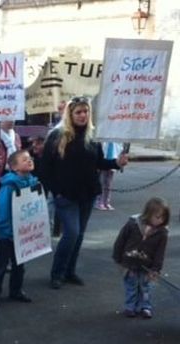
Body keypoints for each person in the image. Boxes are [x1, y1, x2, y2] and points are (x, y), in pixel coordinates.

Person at [41, 96, 129, 289]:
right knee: (71, 233)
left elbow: (99, 162)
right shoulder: (57, 136)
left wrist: (116, 163)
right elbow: (45, 168)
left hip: (87, 194)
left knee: (79, 234)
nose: (83, 115)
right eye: (78, 112)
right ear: (70, 114)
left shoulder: (92, 137)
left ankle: (70, 271)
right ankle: (57, 272)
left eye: (85, 111)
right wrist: (55, 192)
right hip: (65, 195)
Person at [0, 150, 37, 306]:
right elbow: (3, 210)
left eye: (29, 158)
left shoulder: (33, 182)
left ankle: (16, 290)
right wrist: (6, 230)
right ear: (14, 167)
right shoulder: (9, 186)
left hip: (23, 231)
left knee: (19, 264)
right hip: (8, 232)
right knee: (1, 264)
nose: (29, 161)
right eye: (24, 160)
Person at [113, 197, 169, 319]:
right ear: (148, 214)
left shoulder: (162, 232)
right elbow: (120, 241)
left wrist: (156, 268)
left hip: (148, 266)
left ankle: (145, 307)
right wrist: (117, 257)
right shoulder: (132, 224)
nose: (160, 220)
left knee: (146, 287)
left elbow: (160, 253)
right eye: (157, 217)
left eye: (163, 217)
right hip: (130, 262)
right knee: (131, 285)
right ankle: (130, 306)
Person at [95, 141, 123, 211]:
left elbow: (120, 147)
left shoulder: (116, 140)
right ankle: (99, 201)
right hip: (104, 159)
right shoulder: (104, 139)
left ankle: (107, 202)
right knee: (102, 181)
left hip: (113, 158)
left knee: (109, 183)